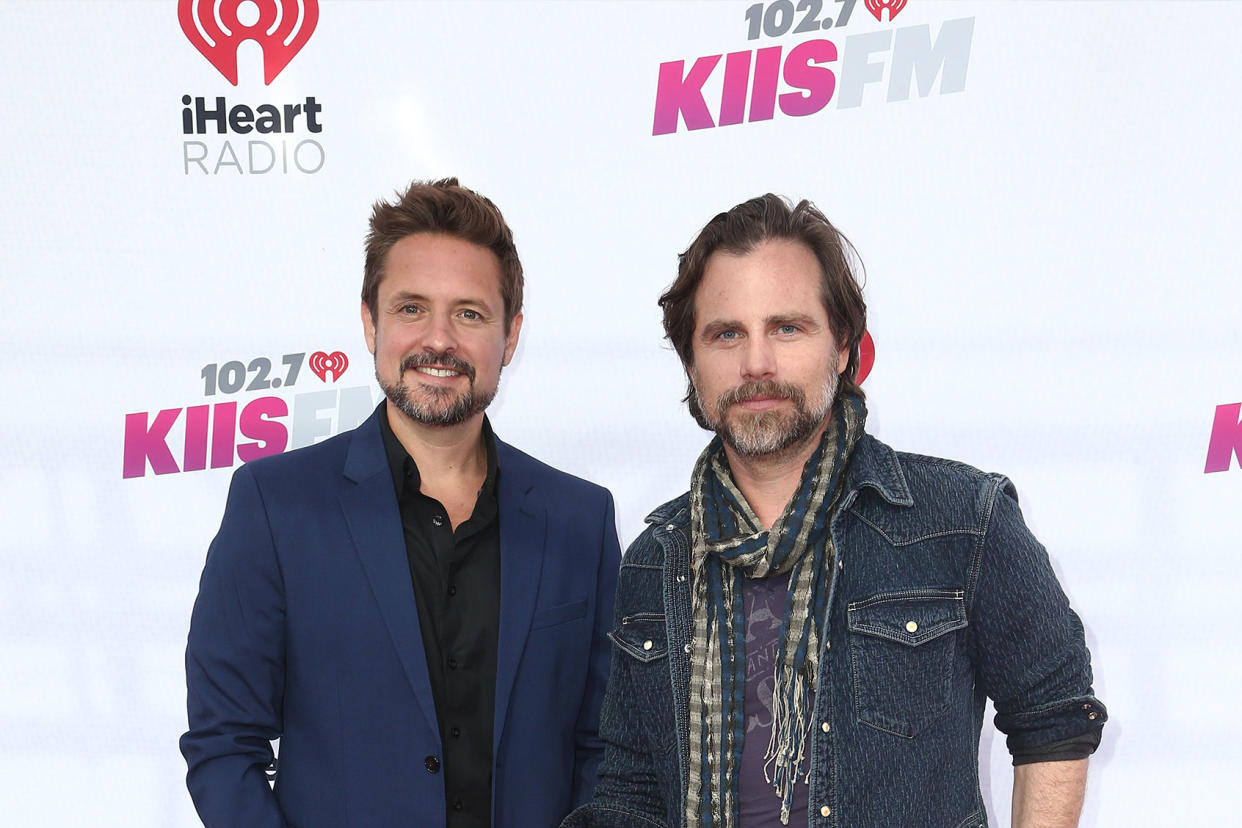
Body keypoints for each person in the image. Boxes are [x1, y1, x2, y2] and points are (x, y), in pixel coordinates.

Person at [566, 194, 1106, 828]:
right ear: (691, 361)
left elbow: (1055, 716)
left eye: (787, 328)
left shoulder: (961, 519)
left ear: (844, 346)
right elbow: (630, 786)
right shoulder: (655, 558)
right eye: (726, 333)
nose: (756, 363)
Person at [181, 178, 621, 828]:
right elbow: (224, 744)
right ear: (371, 321)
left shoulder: (580, 520)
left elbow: (606, 750)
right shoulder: (276, 507)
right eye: (412, 308)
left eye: (469, 313)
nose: (438, 340)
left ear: (510, 335)